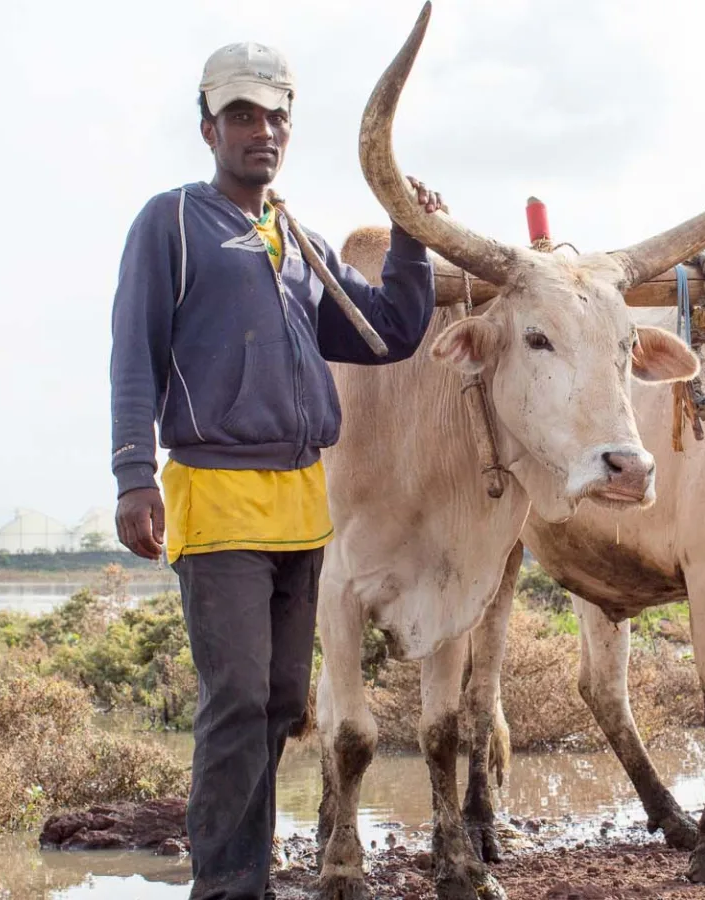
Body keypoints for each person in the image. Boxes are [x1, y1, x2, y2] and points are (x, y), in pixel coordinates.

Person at [107, 40, 442, 900]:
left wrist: (411, 240)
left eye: (275, 117)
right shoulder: (172, 222)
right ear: (209, 126)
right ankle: (226, 889)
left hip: (302, 503)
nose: (262, 131)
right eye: (243, 116)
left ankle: (244, 876)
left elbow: (390, 333)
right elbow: (134, 353)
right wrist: (133, 475)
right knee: (234, 703)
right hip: (214, 496)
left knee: (284, 700)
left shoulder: (298, 242)